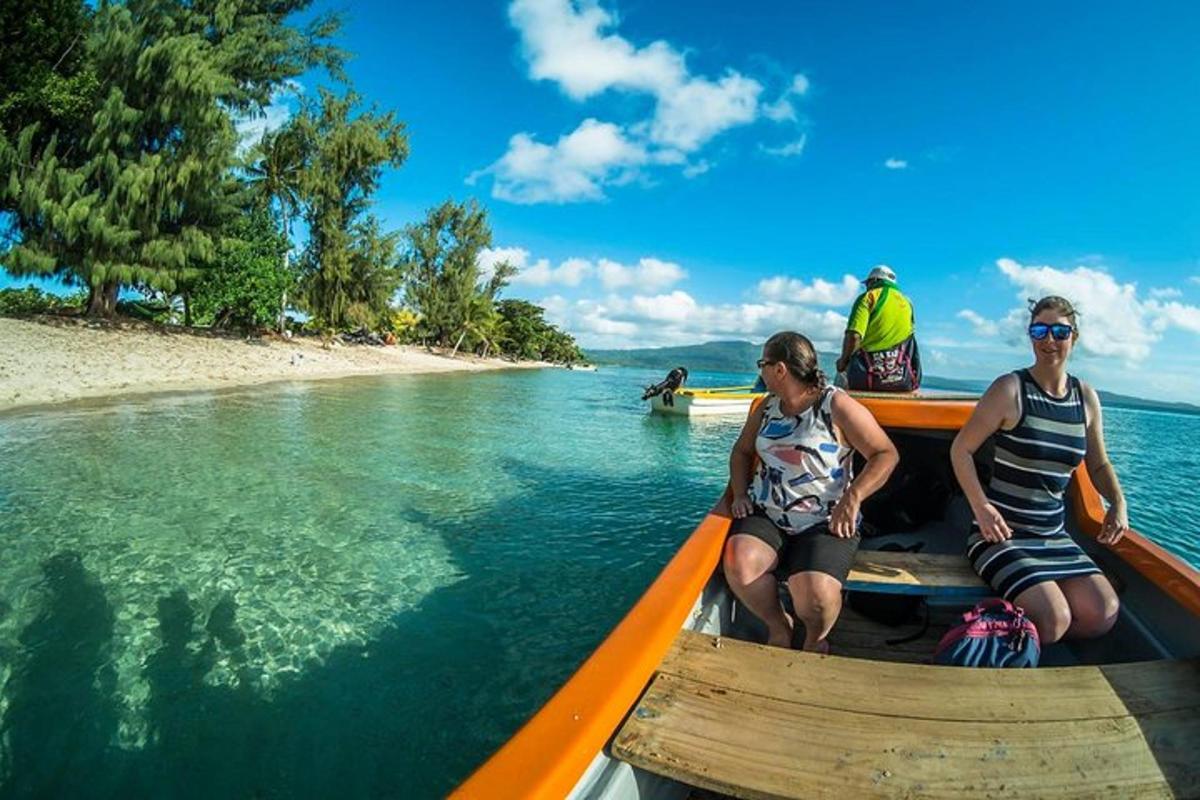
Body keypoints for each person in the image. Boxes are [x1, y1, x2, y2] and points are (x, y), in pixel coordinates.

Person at [949, 296, 1127, 646]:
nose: (1049, 340)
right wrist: (982, 508)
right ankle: (1003, 633)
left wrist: (1118, 502)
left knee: (1102, 614)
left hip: (1054, 536)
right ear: (1030, 336)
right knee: (1052, 619)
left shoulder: (1085, 398)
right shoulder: (1010, 389)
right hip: (1001, 534)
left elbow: (1098, 463)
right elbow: (961, 450)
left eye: (1060, 331)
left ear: (1074, 337)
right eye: (1040, 330)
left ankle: (1015, 633)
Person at [724, 331, 899, 651]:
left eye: (762, 363)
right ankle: (779, 626)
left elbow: (885, 454)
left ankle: (816, 638)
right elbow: (741, 453)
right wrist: (739, 494)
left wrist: (853, 497)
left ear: (779, 370)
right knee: (740, 564)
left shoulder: (836, 405)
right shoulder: (767, 408)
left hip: (827, 519)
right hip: (769, 512)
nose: (759, 370)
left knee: (814, 596)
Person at [835, 265, 922, 392]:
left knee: (839, 377)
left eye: (867, 284)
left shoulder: (869, 297)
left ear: (873, 281)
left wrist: (843, 362)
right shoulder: (908, 303)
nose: (866, 287)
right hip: (902, 379)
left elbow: (854, 335)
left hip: (866, 377)